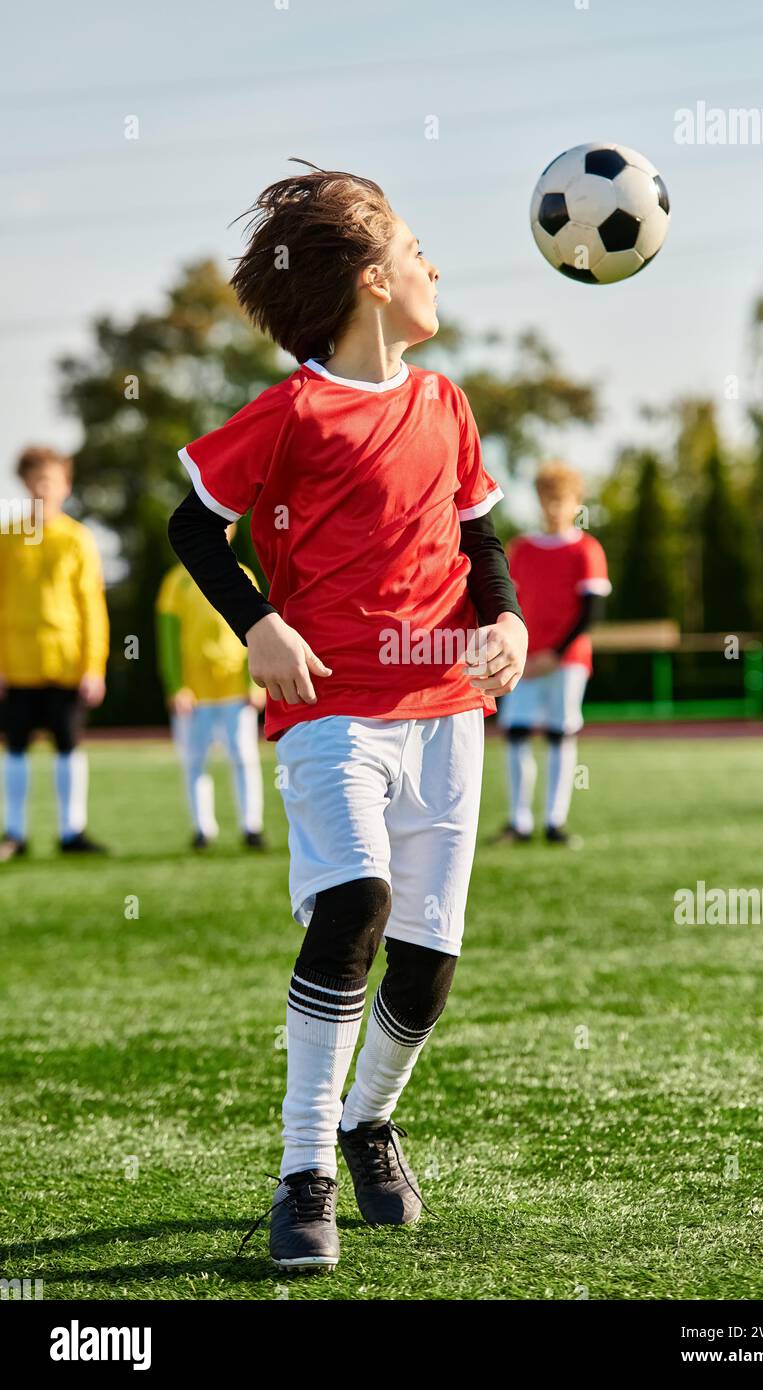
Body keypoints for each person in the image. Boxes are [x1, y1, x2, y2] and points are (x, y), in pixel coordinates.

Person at [167, 160, 527, 1272]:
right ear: (373, 281)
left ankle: (370, 1120)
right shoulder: (291, 413)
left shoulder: (447, 403)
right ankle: (300, 1170)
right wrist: (256, 624)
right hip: (330, 712)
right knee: (354, 905)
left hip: (447, 710)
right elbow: (193, 528)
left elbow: (480, 542)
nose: (432, 266)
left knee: (425, 964)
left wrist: (505, 621)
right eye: (416, 249)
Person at [0, 445, 109, 860]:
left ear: (66, 485)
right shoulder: (7, 539)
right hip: (17, 663)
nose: (44, 487)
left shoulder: (79, 539)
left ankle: (71, 832)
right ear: (26, 483)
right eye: (37, 479)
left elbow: (91, 607)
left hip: (66, 662)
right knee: (14, 746)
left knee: (68, 745)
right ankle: (14, 833)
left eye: (53, 480)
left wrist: (93, 666)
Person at [497, 460, 610, 845]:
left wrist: (555, 654)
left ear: (577, 503)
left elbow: (591, 612)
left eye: (560, 499)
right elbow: (507, 602)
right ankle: (519, 822)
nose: (552, 507)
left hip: (567, 661)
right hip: (525, 662)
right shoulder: (521, 548)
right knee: (515, 733)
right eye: (546, 498)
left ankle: (554, 821)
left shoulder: (587, 549)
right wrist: (520, 651)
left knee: (561, 734)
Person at [155, 524, 267, 850]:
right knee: (195, 762)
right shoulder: (176, 583)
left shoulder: (244, 573)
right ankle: (203, 829)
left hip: (235, 690)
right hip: (195, 694)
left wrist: (253, 683)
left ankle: (252, 826)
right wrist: (176, 686)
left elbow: (257, 630)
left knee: (244, 758)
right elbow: (168, 639)